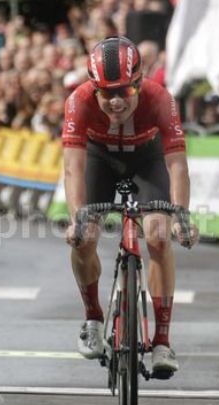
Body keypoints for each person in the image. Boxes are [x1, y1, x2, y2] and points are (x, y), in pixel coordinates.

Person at [62, 36, 198, 375]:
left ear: (139, 82)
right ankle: (93, 319)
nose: (116, 101)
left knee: (158, 236)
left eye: (125, 91)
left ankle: (162, 341)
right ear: (93, 88)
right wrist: (77, 217)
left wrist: (182, 214)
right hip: (100, 159)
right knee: (84, 237)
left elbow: (177, 165)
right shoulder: (79, 102)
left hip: (146, 159)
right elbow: (73, 168)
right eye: (106, 93)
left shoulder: (160, 99)